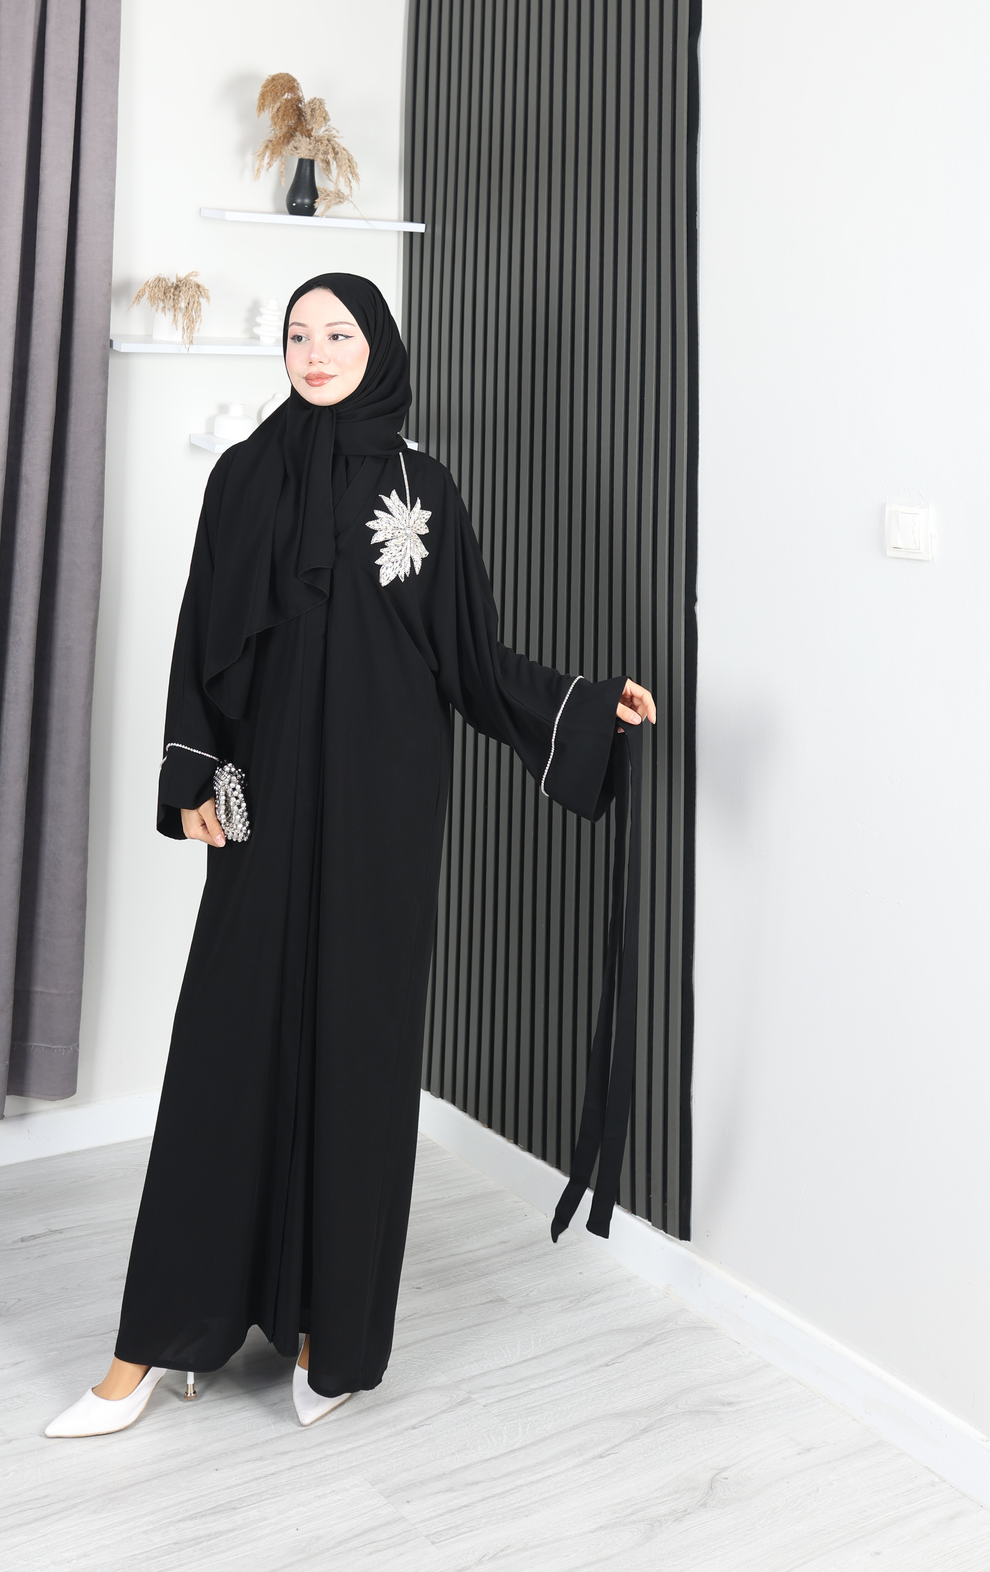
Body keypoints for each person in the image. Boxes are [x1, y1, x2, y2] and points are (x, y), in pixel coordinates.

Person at [45, 273, 655, 1439]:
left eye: (338, 333)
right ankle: (153, 1343)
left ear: (378, 346)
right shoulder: (243, 478)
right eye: (297, 334)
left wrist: (588, 711)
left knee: (358, 1057)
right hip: (264, 800)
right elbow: (199, 634)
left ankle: (330, 1333)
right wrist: (189, 775)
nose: (315, 351)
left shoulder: (428, 492)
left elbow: (473, 659)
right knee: (227, 1049)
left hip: (386, 812)